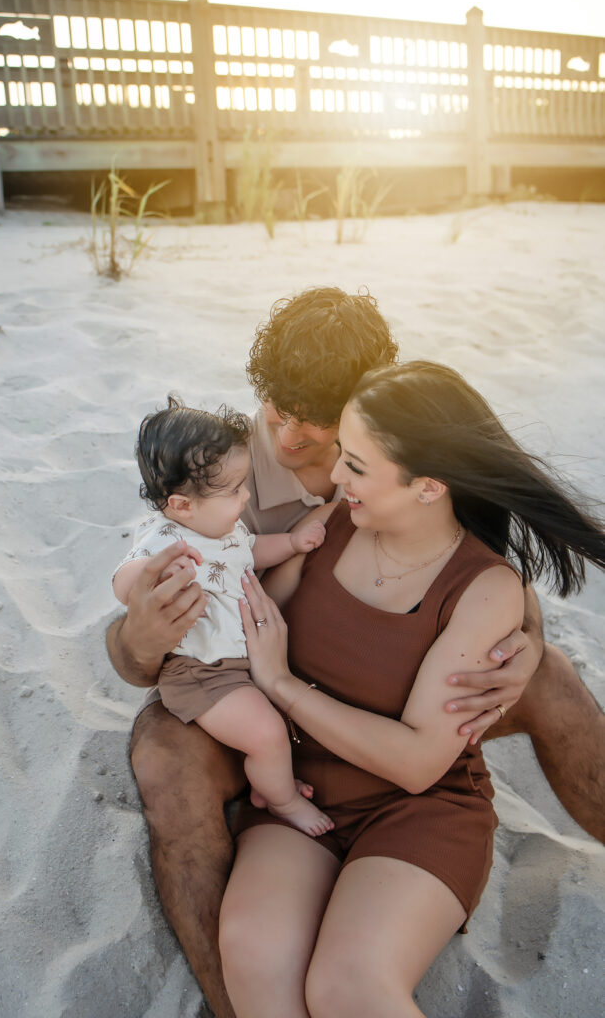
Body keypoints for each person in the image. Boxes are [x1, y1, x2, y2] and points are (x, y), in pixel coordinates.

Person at [106, 288, 605, 1018]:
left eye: (323, 433)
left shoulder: (396, 460)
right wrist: (142, 637)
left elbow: (477, 569)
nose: (290, 441)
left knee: (551, 678)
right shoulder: (226, 469)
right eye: (276, 411)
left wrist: (524, 639)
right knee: (166, 758)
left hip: (396, 757)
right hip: (275, 738)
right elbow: (137, 646)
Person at [220, 360, 605, 1017]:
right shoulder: (339, 517)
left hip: (418, 812)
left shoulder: (483, 588)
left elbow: (419, 762)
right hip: (295, 795)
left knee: (347, 987)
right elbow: (248, 608)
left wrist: (282, 684)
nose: (336, 477)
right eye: (343, 455)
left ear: (428, 487)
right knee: (256, 956)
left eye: (358, 466)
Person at [112, 399, 332, 836]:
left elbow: (252, 551)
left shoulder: (226, 528)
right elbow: (122, 583)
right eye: (234, 491)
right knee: (267, 733)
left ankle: (263, 785)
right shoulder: (166, 538)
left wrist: (291, 542)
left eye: (244, 484)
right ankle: (284, 801)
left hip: (236, 665)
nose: (245, 496)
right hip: (202, 674)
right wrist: (156, 573)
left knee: (273, 726)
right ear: (181, 505)